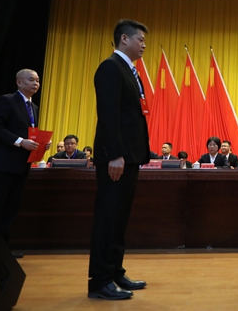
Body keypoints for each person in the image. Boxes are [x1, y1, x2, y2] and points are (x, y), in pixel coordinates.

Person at [88, 19, 150, 300]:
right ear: (124, 39)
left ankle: (114, 271)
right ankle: (100, 280)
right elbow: (108, 115)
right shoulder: (110, 68)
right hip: (116, 157)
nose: (144, 45)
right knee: (108, 216)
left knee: (120, 216)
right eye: (141, 40)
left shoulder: (130, 71)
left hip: (130, 156)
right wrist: (115, 154)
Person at [0, 70, 52, 258]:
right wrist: (20, 142)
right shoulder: (7, 100)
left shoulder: (34, 107)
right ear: (19, 82)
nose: (35, 83)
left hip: (22, 166)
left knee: (11, 209)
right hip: (4, 166)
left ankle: (2, 251)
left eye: (38, 80)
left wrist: (42, 144)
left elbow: (30, 134)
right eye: (31, 80)